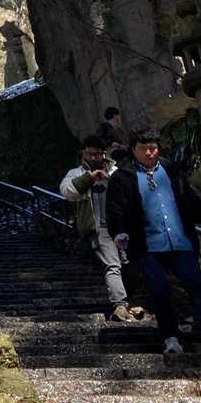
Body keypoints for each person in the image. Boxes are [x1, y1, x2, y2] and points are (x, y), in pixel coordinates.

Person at [106, 130, 201, 359]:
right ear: (133, 149)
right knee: (160, 292)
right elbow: (116, 209)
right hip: (147, 246)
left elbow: (188, 199)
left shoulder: (171, 169)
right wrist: (119, 232)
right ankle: (170, 338)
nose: (149, 153)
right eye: (143, 148)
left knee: (197, 287)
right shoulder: (123, 176)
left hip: (179, 240)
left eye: (153, 148)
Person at [60, 136, 143, 323]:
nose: (94, 158)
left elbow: (132, 190)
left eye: (97, 154)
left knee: (131, 264)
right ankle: (120, 305)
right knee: (113, 265)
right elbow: (68, 192)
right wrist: (89, 178)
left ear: (104, 154)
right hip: (99, 228)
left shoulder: (116, 170)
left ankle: (133, 302)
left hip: (123, 226)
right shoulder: (76, 173)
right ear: (83, 153)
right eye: (89, 154)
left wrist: (110, 180)